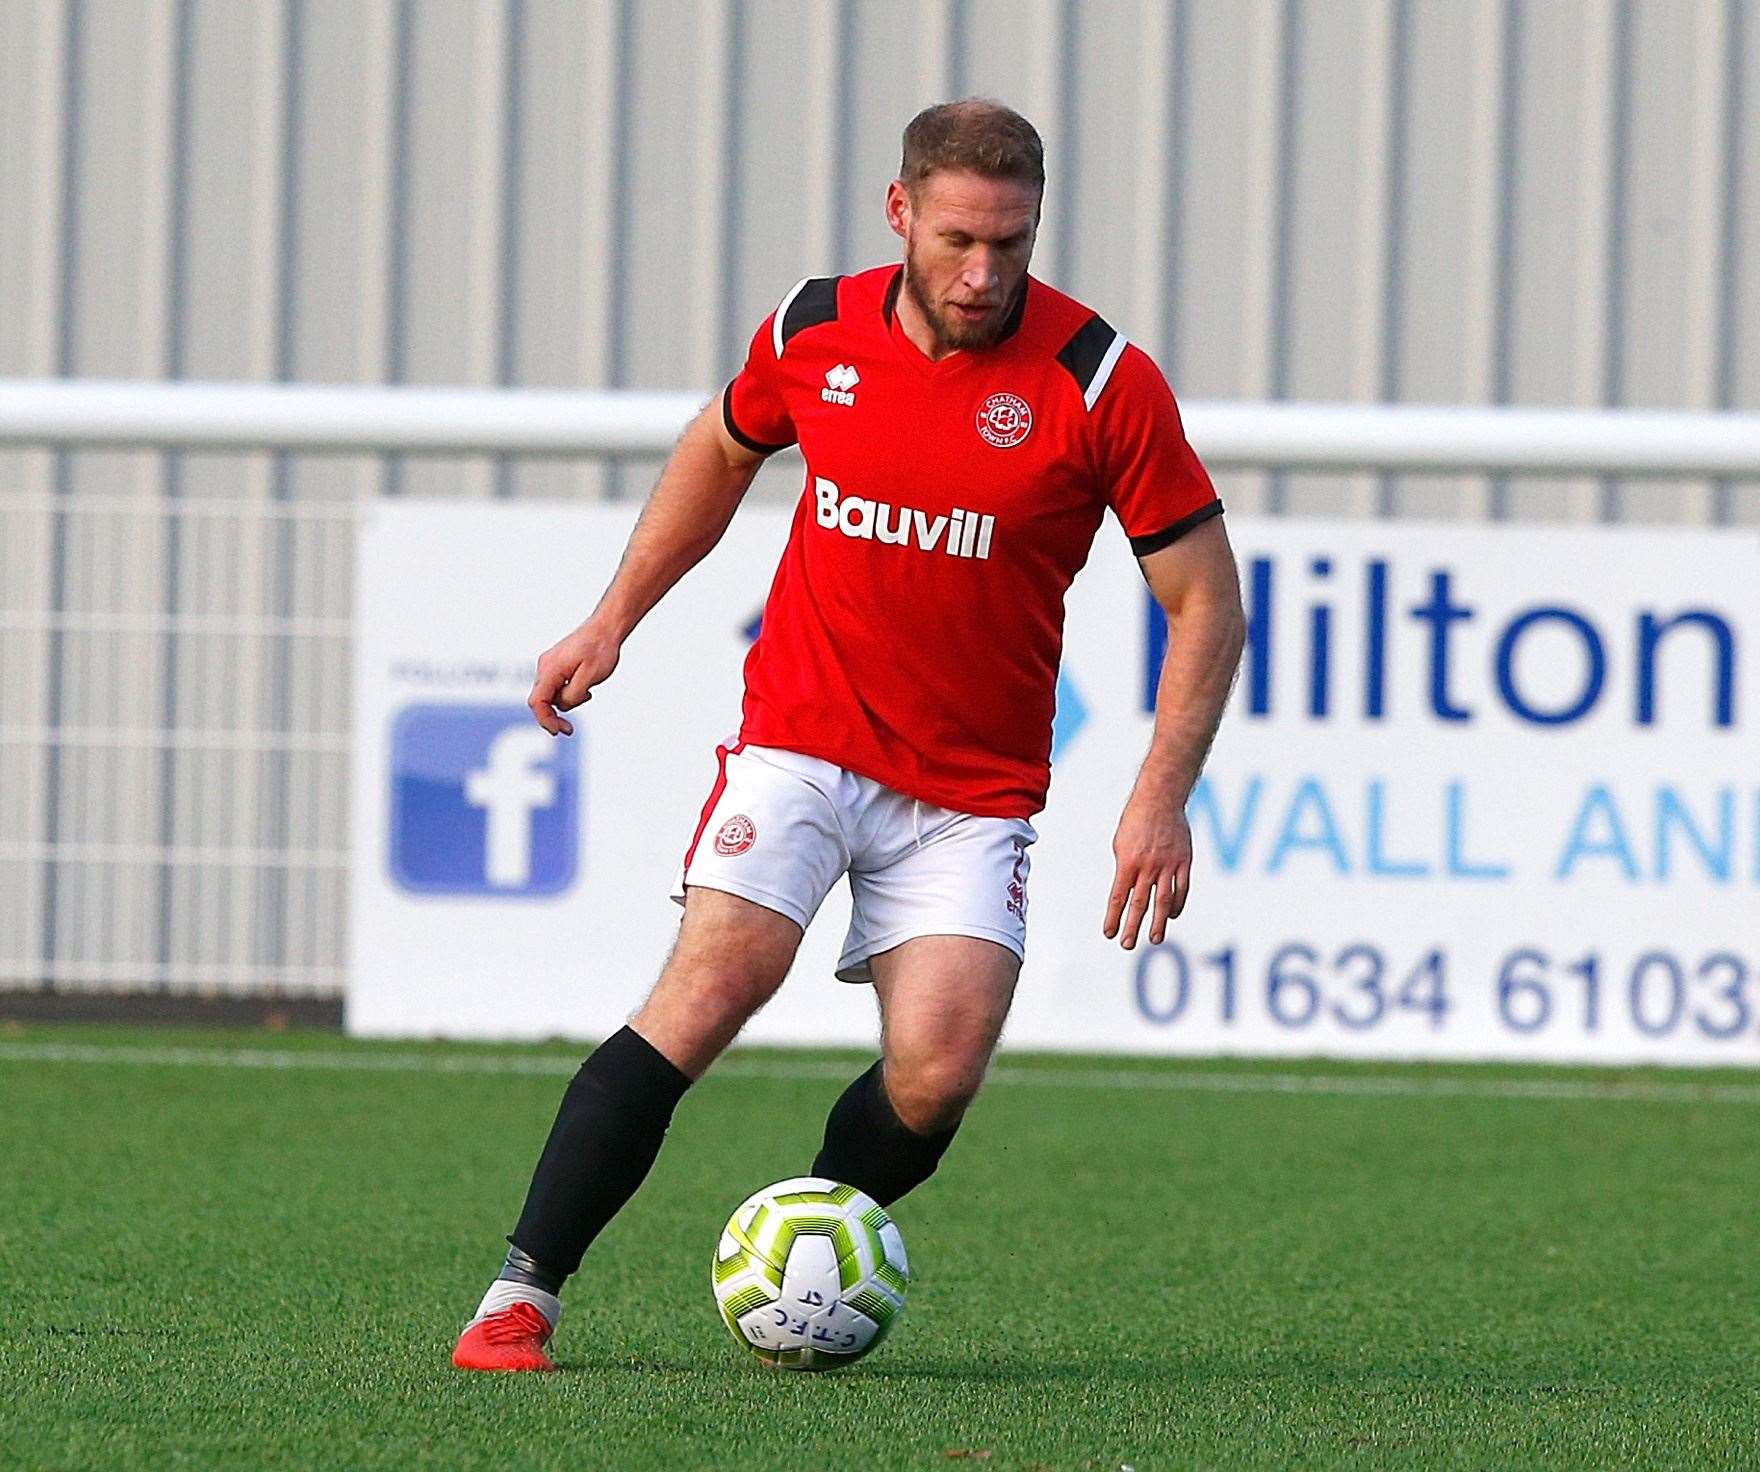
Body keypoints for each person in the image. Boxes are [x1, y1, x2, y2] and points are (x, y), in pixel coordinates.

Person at [452, 97, 1245, 1372]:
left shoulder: (1099, 379)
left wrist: (1159, 793)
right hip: (801, 742)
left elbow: (1204, 594)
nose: (982, 272)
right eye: (956, 240)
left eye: (1010, 243)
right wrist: (612, 619)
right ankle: (518, 1297)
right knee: (712, 985)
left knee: (934, 1073)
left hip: (972, 792)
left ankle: (805, 1255)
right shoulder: (814, 328)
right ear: (900, 213)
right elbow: (716, 453)